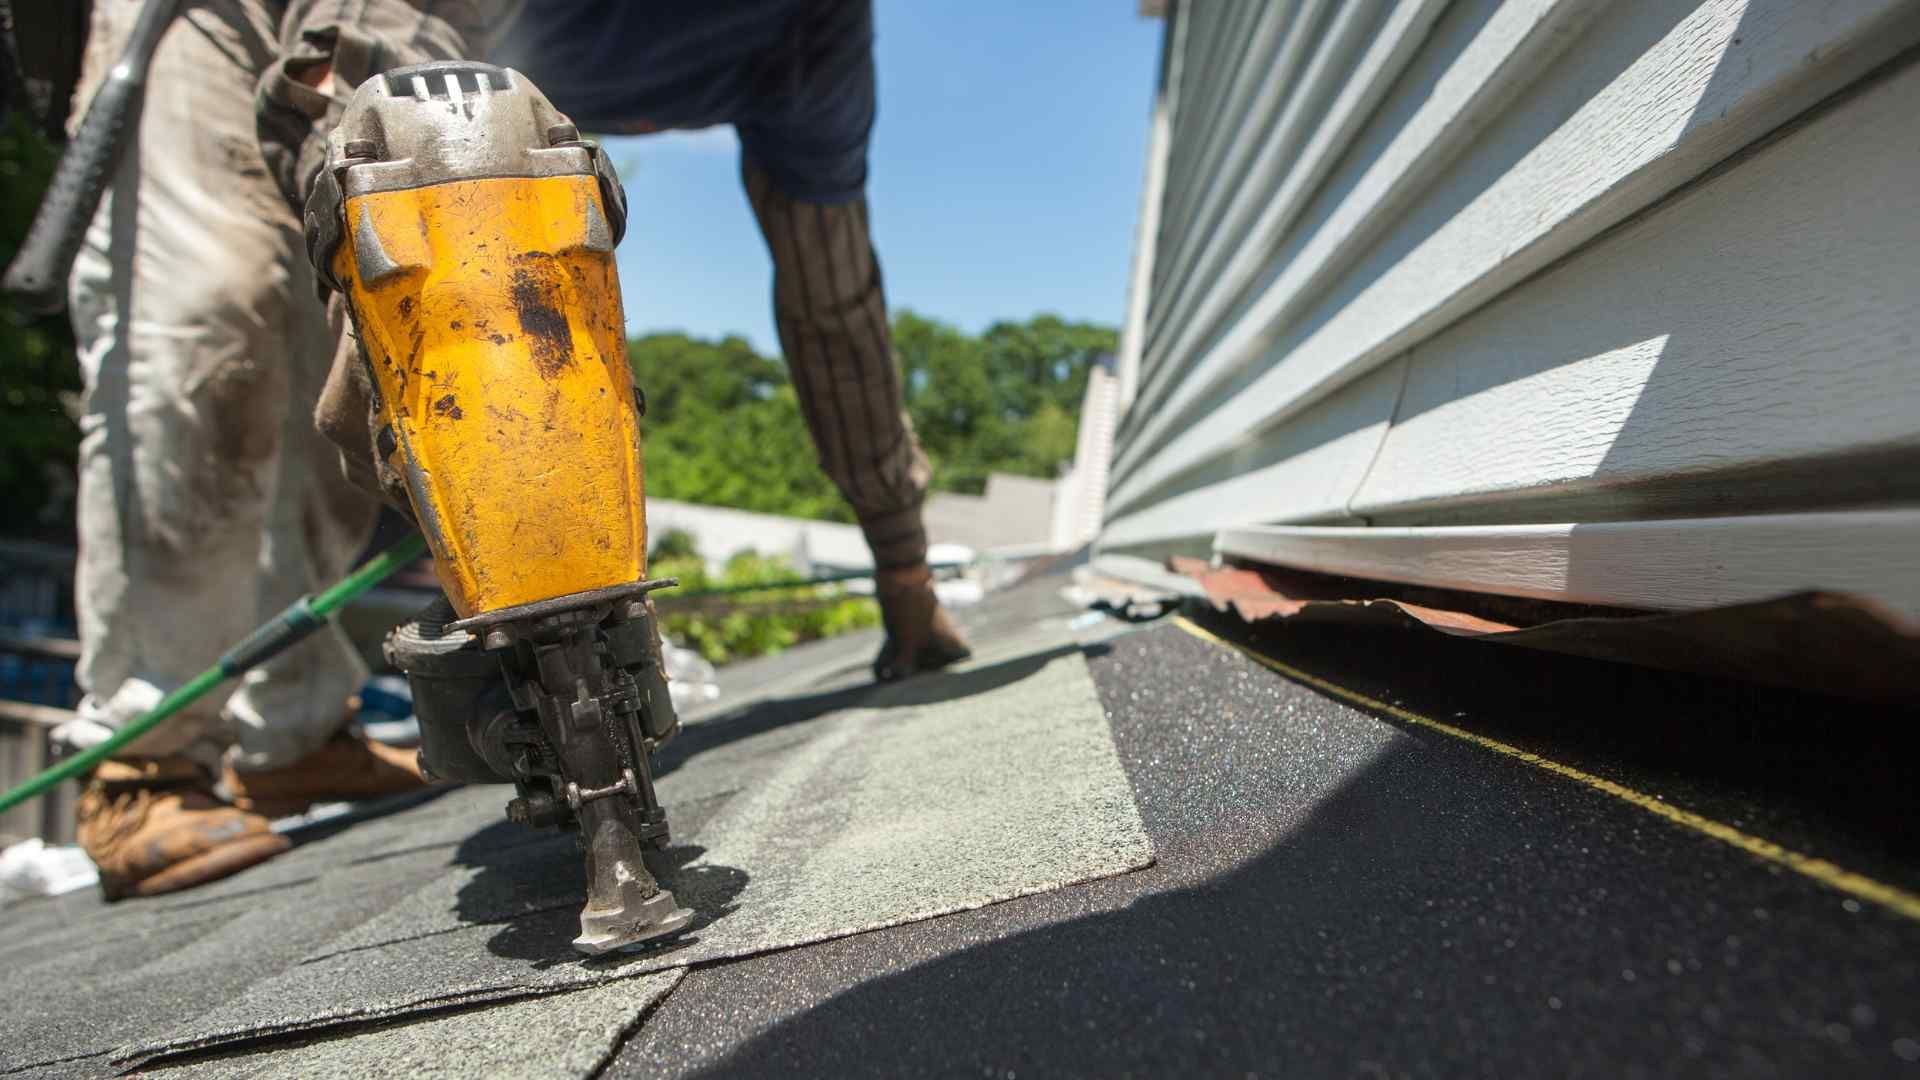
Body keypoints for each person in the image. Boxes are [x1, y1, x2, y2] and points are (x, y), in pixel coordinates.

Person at [315, 0, 974, 682]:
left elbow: (833, 301)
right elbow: (369, 139)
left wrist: (904, 568)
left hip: (731, 49)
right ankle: (295, 707)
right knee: (357, 227)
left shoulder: (810, 33)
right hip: (374, 37)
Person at [51, 0, 499, 900]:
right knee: (206, 322)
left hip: (398, 15)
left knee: (337, 361)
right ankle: (143, 759)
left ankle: (292, 736)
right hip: (195, 16)